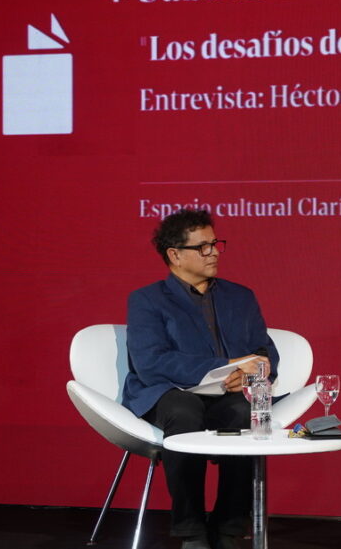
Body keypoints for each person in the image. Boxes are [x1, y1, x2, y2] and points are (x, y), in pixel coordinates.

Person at [122, 208, 279, 549]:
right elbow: (151, 363)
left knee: (246, 411)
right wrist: (224, 367)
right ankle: (191, 529)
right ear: (175, 255)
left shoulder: (240, 296)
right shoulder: (147, 300)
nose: (214, 252)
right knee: (183, 411)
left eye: (216, 244)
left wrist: (252, 374)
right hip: (171, 392)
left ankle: (230, 527)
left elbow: (264, 351)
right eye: (203, 247)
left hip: (228, 396)